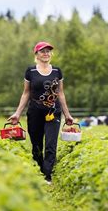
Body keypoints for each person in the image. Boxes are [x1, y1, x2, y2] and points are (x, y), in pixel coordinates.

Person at [8, 41, 74, 185]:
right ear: (36, 54)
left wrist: (67, 114)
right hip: (35, 112)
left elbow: (61, 93)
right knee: (36, 145)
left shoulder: (57, 71)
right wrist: (17, 113)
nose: (46, 53)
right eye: (42, 51)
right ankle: (38, 170)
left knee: (51, 144)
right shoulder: (30, 72)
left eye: (48, 51)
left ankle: (47, 176)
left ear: (51, 54)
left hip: (53, 111)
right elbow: (26, 93)